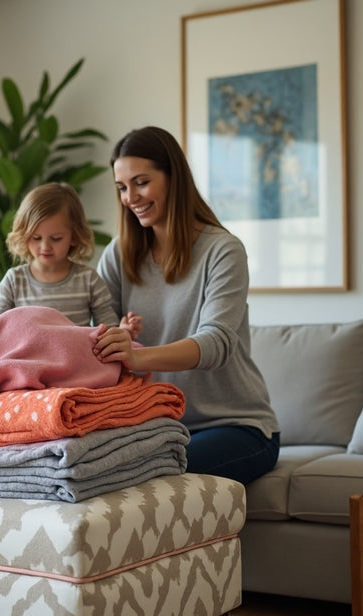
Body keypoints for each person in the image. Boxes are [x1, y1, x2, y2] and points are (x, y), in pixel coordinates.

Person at [92, 125, 279, 486]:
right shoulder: (119, 254)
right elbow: (95, 331)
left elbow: (216, 343)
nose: (130, 197)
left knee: (147, 473)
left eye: (141, 182)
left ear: (173, 177)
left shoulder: (223, 250)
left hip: (236, 426)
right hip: (156, 427)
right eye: (121, 187)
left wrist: (137, 356)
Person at [0, 182, 142, 338]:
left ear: (74, 236)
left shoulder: (88, 280)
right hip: (28, 362)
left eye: (56, 238)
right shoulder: (14, 280)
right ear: (24, 235)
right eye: (36, 238)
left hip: (76, 361)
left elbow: (107, 330)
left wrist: (123, 332)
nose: (45, 247)